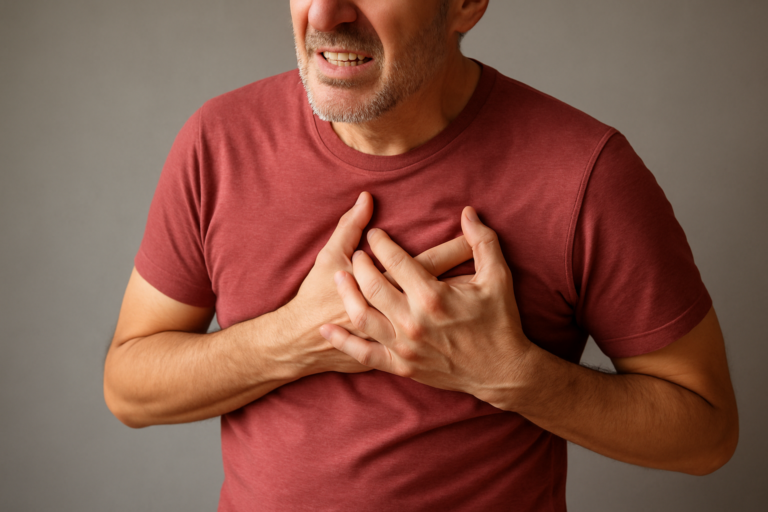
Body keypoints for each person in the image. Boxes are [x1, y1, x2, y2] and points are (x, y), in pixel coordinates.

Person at [104, 0, 739, 510]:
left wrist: (511, 375)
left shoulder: (585, 174)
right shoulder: (217, 143)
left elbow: (706, 434)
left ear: (465, 4)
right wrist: (293, 337)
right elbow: (129, 388)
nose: (324, 15)